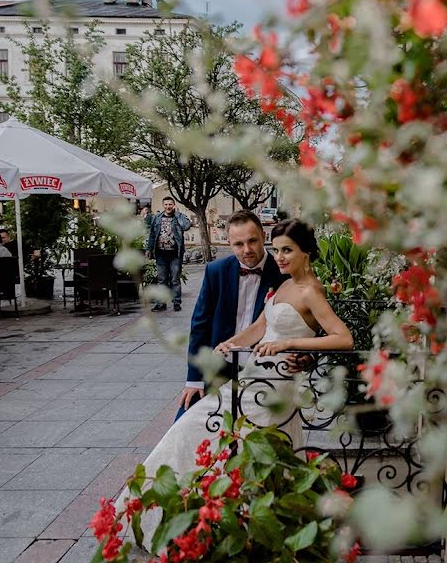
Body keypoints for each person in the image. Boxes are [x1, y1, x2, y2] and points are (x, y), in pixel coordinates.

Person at [121, 218, 353, 545]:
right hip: (239, 373)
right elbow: (248, 326)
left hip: (270, 385)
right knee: (189, 428)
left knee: (246, 452)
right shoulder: (240, 275)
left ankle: (242, 529)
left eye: (261, 243)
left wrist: (296, 349)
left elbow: (332, 335)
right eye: (277, 249)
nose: (275, 255)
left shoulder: (296, 281)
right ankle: (181, 521)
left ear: (304, 252)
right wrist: (225, 348)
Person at [176, 210, 284, 420]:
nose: (247, 250)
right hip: (219, 365)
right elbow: (200, 325)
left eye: (252, 241)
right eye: (238, 244)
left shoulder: (282, 273)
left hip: (263, 369)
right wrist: (194, 380)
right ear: (229, 243)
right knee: (185, 420)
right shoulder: (216, 271)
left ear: (264, 236)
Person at [145, 197, 192, 312]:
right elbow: (152, 235)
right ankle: (161, 303)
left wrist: (178, 215)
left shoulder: (179, 217)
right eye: (166, 204)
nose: (168, 206)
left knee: (175, 280)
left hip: (175, 254)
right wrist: (149, 249)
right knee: (162, 280)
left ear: (174, 205)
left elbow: (186, 226)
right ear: (163, 205)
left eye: (170, 204)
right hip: (161, 254)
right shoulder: (157, 218)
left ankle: (176, 302)